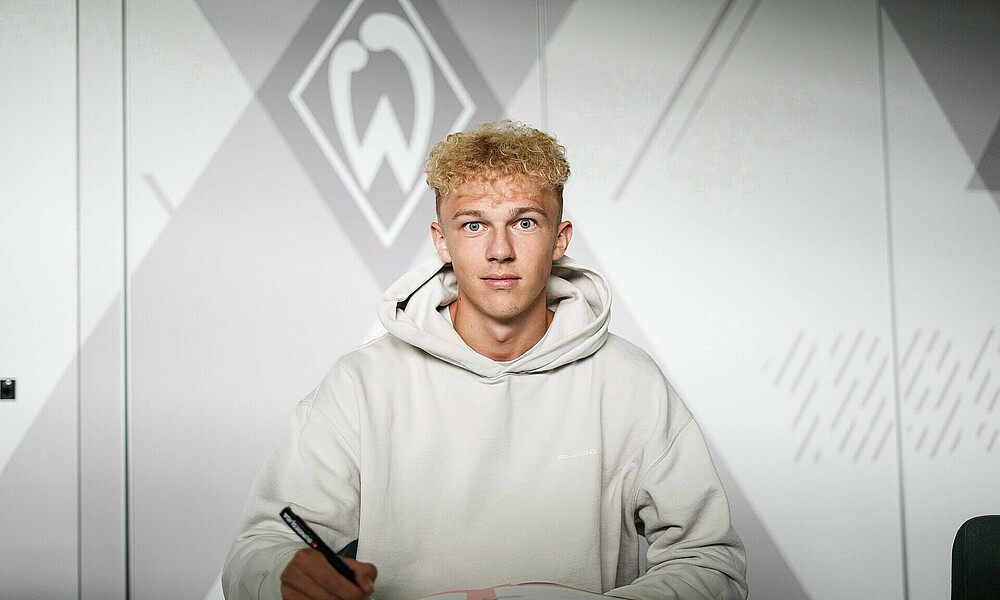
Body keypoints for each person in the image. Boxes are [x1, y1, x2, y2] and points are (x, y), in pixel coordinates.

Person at [222, 120, 747, 600]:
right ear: (442, 241)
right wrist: (283, 574)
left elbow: (712, 564)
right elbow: (257, 550)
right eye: (473, 225)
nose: (499, 250)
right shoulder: (362, 385)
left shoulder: (632, 384)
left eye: (524, 222)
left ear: (560, 239)